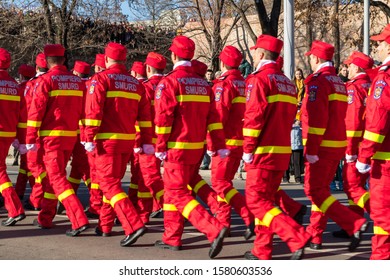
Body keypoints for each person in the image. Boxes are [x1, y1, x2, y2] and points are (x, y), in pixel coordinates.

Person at [153, 35, 228, 258]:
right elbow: (213, 119)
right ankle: (172, 236)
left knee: (176, 193)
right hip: (197, 147)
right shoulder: (203, 85)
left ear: (173, 55)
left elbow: (164, 118)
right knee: (174, 190)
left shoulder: (170, 82)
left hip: (177, 147)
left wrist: (160, 145)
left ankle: (213, 229)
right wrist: (217, 144)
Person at [242, 35, 310, 260]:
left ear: (260, 54)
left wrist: (248, 149)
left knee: (256, 200)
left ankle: (296, 235)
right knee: (267, 200)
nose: (253, 55)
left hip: (262, 150)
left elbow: (254, 118)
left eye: (254, 52)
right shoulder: (286, 82)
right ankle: (262, 250)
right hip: (281, 150)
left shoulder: (259, 79)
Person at [84, 42, 152, 246]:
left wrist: (88, 137)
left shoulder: (101, 79)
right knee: (113, 182)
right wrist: (146, 140)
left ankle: (133, 224)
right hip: (127, 141)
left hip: (107, 141)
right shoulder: (136, 84)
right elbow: (145, 117)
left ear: (106, 59)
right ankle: (105, 225)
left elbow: (93, 112)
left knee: (108, 184)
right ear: (125, 60)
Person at [302, 40, 368, 251]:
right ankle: (315, 235)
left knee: (316, 191)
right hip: (336, 145)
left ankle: (353, 222)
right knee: (320, 191)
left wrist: (311, 150)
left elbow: (317, 119)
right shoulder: (338, 82)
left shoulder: (319, 81)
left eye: (311, 57)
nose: (310, 61)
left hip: (322, 147)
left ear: (316, 58)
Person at [26, 44, 90, 236]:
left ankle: (78, 219)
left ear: (46, 61)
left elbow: (35, 111)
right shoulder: (77, 81)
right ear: (63, 59)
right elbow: (85, 111)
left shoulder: (45, 81)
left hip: (51, 138)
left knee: (56, 179)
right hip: (71, 137)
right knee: (53, 178)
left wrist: (30, 137)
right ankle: (46, 216)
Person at [208, 45, 254, 238]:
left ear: (223, 62)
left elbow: (219, 117)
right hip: (239, 141)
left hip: (225, 142)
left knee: (220, 183)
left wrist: (212, 144)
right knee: (224, 183)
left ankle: (248, 215)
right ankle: (223, 222)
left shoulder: (224, 84)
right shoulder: (244, 83)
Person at [356, 24, 390, 259]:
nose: (376, 46)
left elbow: (376, 123)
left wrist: (363, 156)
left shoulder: (384, 79)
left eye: (379, 42)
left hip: (385, 162)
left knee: (383, 217)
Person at [331, 51, 373, 239]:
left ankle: (378, 215)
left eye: (349, 65)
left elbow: (353, 121)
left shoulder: (354, 88)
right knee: (358, 185)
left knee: (351, 186)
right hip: (370, 143)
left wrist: (349, 150)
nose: (346, 68)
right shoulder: (369, 85)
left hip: (356, 146)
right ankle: (353, 225)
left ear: (357, 67)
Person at [134, 52, 166, 223]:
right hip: (167, 139)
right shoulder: (169, 83)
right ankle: (143, 213)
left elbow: (142, 118)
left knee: (147, 178)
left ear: (147, 68)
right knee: (149, 178)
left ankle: (167, 206)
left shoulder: (145, 87)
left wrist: (139, 141)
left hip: (149, 140)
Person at [0, 47, 26, 226]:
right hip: (8, 132)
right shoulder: (14, 85)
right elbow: (20, 112)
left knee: (0, 172)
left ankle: (15, 208)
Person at [23, 53, 48, 211]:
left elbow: (28, 110)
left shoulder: (35, 84)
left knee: (36, 167)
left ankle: (37, 199)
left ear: (37, 67)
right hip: (57, 132)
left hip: (37, 131)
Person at [14, 64, 36, 202]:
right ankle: (20, 191)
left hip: (22, 129)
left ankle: (34, 193)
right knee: (26, 164)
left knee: (29, 164)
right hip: (34, 128)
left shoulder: (20, 89)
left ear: (21, 76)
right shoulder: (36, 85)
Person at [291, 119, 304, 183]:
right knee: (294, 162)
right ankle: (296, 177)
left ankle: (298, 177)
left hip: (299, 146)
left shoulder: (300, 124)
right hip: (290, 145)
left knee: (298, 162)